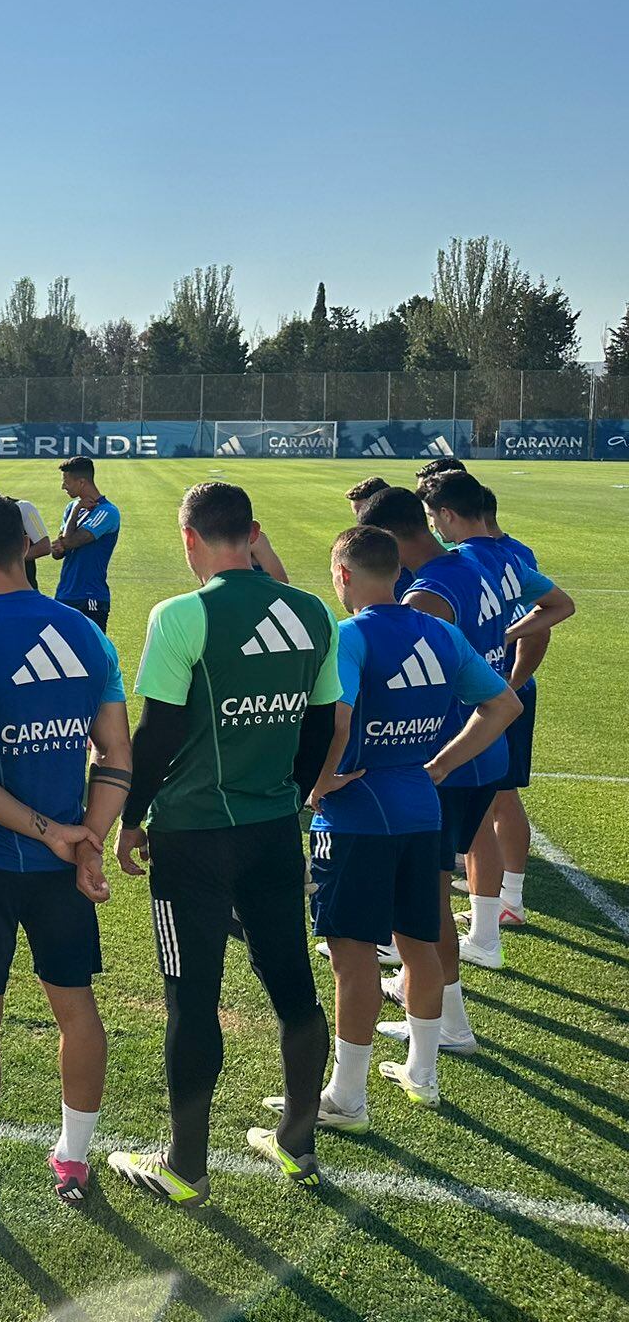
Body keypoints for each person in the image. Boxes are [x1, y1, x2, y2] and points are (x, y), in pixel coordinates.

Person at [107, 481, 339, 1205]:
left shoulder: (182, 615)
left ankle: (185, 1165)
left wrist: (132, 815)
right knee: (295, 990)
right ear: (253, 532)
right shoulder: (311, 612)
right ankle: (297, 1145)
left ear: (190, 540)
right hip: (273, 832)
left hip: (194, 838)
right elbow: (323, 724)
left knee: (192, 1000)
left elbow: (160, 733)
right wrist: (291, 799)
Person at [0, 493, 129, 1218]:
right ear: (27, 545)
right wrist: (87, 842)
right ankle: (74, 1162)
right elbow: (115, 755)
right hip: (63, 864)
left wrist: (50, 832)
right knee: (77, 1011)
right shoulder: (88, 636)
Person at [295, 527, 518, 1123]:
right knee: (422, 942)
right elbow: (504, 705)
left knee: (353, 954)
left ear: (343, 575)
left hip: (357, 816)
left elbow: (337, 722)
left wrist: (319, 783)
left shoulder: (349, 635)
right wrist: (440, 764)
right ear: (397, 573)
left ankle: (347, 1095)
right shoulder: (442, 633)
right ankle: (423, 1072)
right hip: (421, 807)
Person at [407, 473, 571, 968]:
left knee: (453, 845)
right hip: (498, 700)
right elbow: (559, 605)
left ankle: (446, 974)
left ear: (449, 515)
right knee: (487, 813)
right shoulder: (509, 556)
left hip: (467, 715)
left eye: (434, 519)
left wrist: (501, 651)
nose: (434, 529)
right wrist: (506, 641)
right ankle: (492, 921)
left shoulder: (455, 568)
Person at [482, 484, 542, 925]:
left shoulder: (511, 557)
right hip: (494, 688)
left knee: (501, 795)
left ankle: (510, 901)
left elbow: (539, 625)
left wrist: (512, 684)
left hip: (502, 690)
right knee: (488, 796)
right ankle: (495, 891)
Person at [49, 457, 120, 631]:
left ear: (81, 482)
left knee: (93, 654)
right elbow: (57, 552)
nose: (63, 486)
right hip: (65, 594)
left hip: (90, 596)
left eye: (66, 482)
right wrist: (75, 510)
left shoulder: (107, 512)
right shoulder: (73, 507)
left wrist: (74, 513)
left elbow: (69, 542)